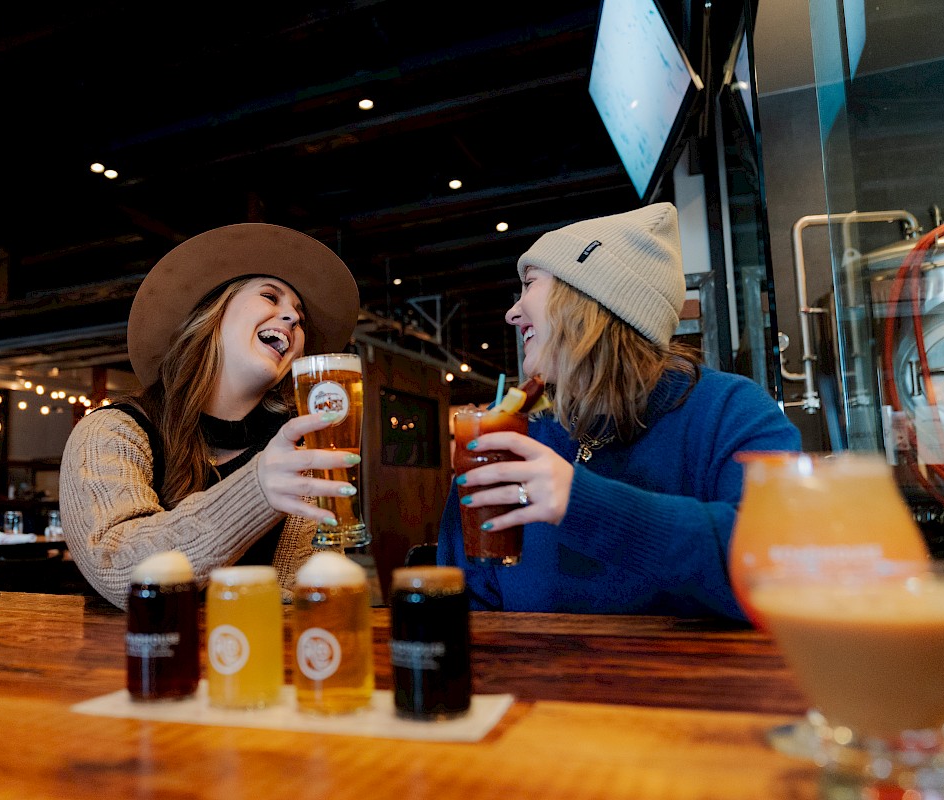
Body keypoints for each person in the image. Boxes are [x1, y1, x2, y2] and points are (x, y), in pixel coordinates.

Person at [438, 203, 800, 619]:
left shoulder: (729, 412)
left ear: (588, 296)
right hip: (531, 683)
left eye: (530, 284)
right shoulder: (513, 432)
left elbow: (782, 567)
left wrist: (584, 503)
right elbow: (466, 603)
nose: (512, 312)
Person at [60, 223, 361, 608]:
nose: (292, 319)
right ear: (211, 317)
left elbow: (301, 597)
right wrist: (257, 490)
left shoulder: (300, 453)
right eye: (271, 297)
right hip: (137, 662)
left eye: (299, 317)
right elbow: (117, 568)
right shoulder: (112, 431)